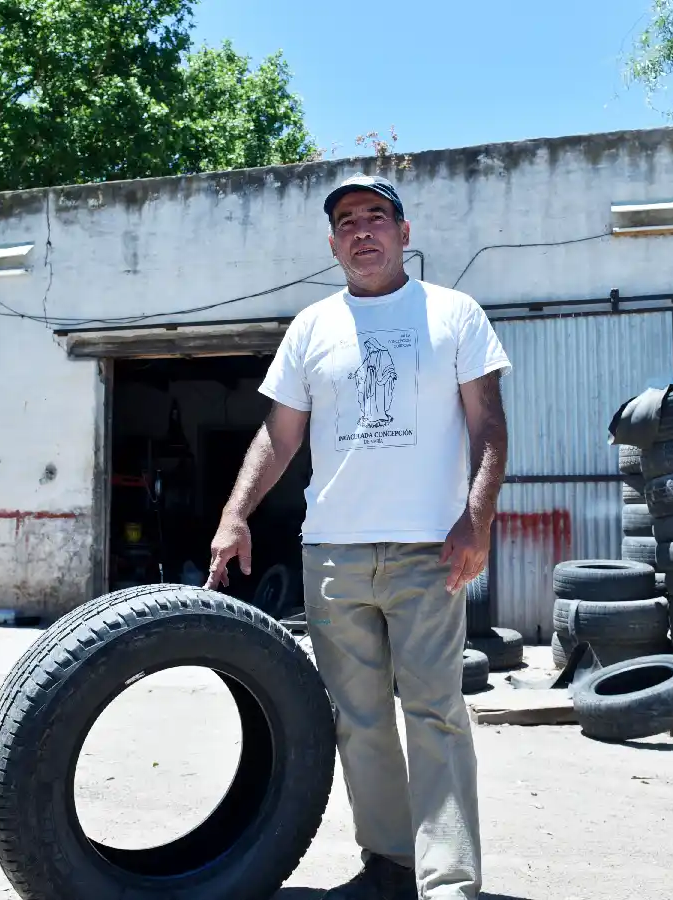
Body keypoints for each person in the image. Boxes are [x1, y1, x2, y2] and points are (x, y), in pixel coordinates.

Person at [205, 172, 511, 900]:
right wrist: (235, 512)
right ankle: (389, 862)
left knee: (436, 713)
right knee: (358, 719)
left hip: (428, 548)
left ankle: (449, 883)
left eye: (377, 216)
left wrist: (479, 518)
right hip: (334, 551)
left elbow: (488, 425)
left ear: (405, 234)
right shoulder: (312, 327)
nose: (362, 230)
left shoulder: (455, 314)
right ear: (333, 243)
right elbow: (279, 436)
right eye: (346, 220)